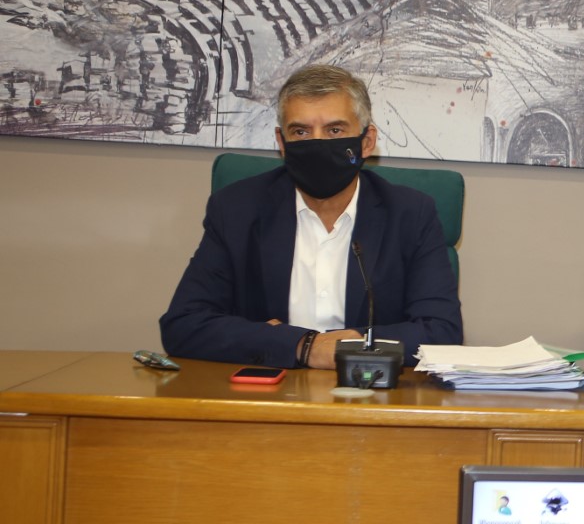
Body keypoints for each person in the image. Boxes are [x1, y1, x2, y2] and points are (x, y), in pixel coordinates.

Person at [160, 64, 462, 369]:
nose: (318, 144)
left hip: (371, 389)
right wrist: (302, 345)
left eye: (335, 130)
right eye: (301, 132)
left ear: (366, 141)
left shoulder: (410, 214)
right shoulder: (237, 209)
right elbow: (183, 325)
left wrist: (351, 346)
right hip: (271, 390)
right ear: (282, 143)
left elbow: (442, 332)